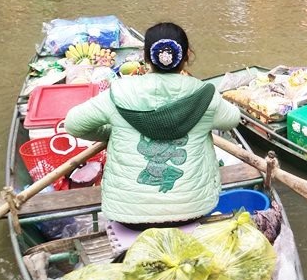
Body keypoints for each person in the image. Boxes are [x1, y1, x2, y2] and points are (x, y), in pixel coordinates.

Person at [64, 22, 242, 229]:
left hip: (129, 216)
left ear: (146, 58)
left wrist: (112, 131)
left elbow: (74, 124)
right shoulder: (205, 95)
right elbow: (232, 119)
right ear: (186, 57)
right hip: (190, 211)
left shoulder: (120, 92)